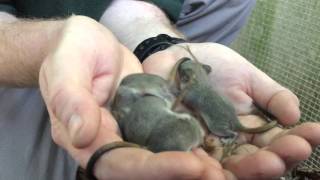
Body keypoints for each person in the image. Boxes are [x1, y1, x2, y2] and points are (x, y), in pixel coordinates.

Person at [0, 0, 319, 179]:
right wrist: (48, 45)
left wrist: (152, 39)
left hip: (139, 74)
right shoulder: (173, 101)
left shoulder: (177, 98)